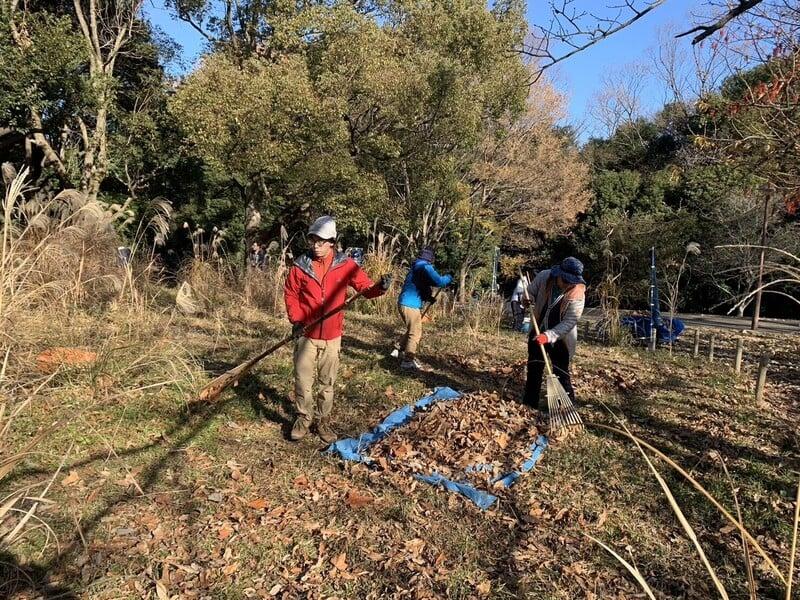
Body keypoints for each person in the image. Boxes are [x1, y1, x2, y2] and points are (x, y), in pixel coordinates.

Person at [284, 216, 391, 442]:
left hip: (333, 335)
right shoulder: (300, 266)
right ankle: (303, 419)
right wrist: (296, 320)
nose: (316, 245)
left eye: (321, 241)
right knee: (303, 380)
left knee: (327, 383)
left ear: (332, 241)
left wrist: (380, 288)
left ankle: (323, 422)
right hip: (306, 335)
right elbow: (291, 294)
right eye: (313, 240)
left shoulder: (346, 265)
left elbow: (365, 288)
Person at [522, 257, 586, 411]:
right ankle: (530, 404)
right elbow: (529, 292)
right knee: (534, 368)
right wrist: (527, 299)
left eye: (570, 281)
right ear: (558, 274)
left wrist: (548, 336)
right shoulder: (544, 276)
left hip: (561, 338)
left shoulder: (578, 293)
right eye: (564, 279)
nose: (567, 284)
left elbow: (570, 322)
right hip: (537, 329)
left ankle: (565, 406)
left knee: (561, 371)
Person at [391, 246, 452, 370]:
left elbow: (420, 284)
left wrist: (428, 297)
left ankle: (397, 350)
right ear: (430, 258)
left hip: (405, 302)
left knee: (412, 328)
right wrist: (448, 278)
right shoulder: (425, 267)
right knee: (415, 332)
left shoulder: (416, 267)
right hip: (410, 304)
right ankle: (408, 360)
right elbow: (439, 281)